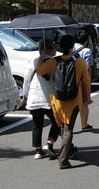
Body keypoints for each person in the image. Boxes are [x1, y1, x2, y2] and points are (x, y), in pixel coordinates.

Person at [36, 35, 91, 169]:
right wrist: (87, 97)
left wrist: (41, 57)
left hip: (58, 100)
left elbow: (39, 71)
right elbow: (86, 81)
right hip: (73, 100)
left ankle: (69, 150)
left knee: (62, 127)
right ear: (73, 47)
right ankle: (63, 160)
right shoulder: (80, 62)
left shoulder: (54, 61)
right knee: (68, 129)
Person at [24, 39, 60, 159]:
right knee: (57, 121)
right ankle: (49, 144)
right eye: (54, 47)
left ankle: (38, 151)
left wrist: (25, 94)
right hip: (48, 98)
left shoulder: (34, 61)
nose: (56, 49)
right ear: (47, 50)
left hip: (34, 97)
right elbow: (56, 79)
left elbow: (27, 79)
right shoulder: (54, 62)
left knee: (37, 125)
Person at [74, 29, 94, 131]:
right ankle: (84, 125)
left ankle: (68, 125)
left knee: (72, 104)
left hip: (71, 80)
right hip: (82, 80)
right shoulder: (86, 51)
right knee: (84, 103)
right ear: (86, 41)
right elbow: (88, 68)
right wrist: (88, 82)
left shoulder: (71, 48)